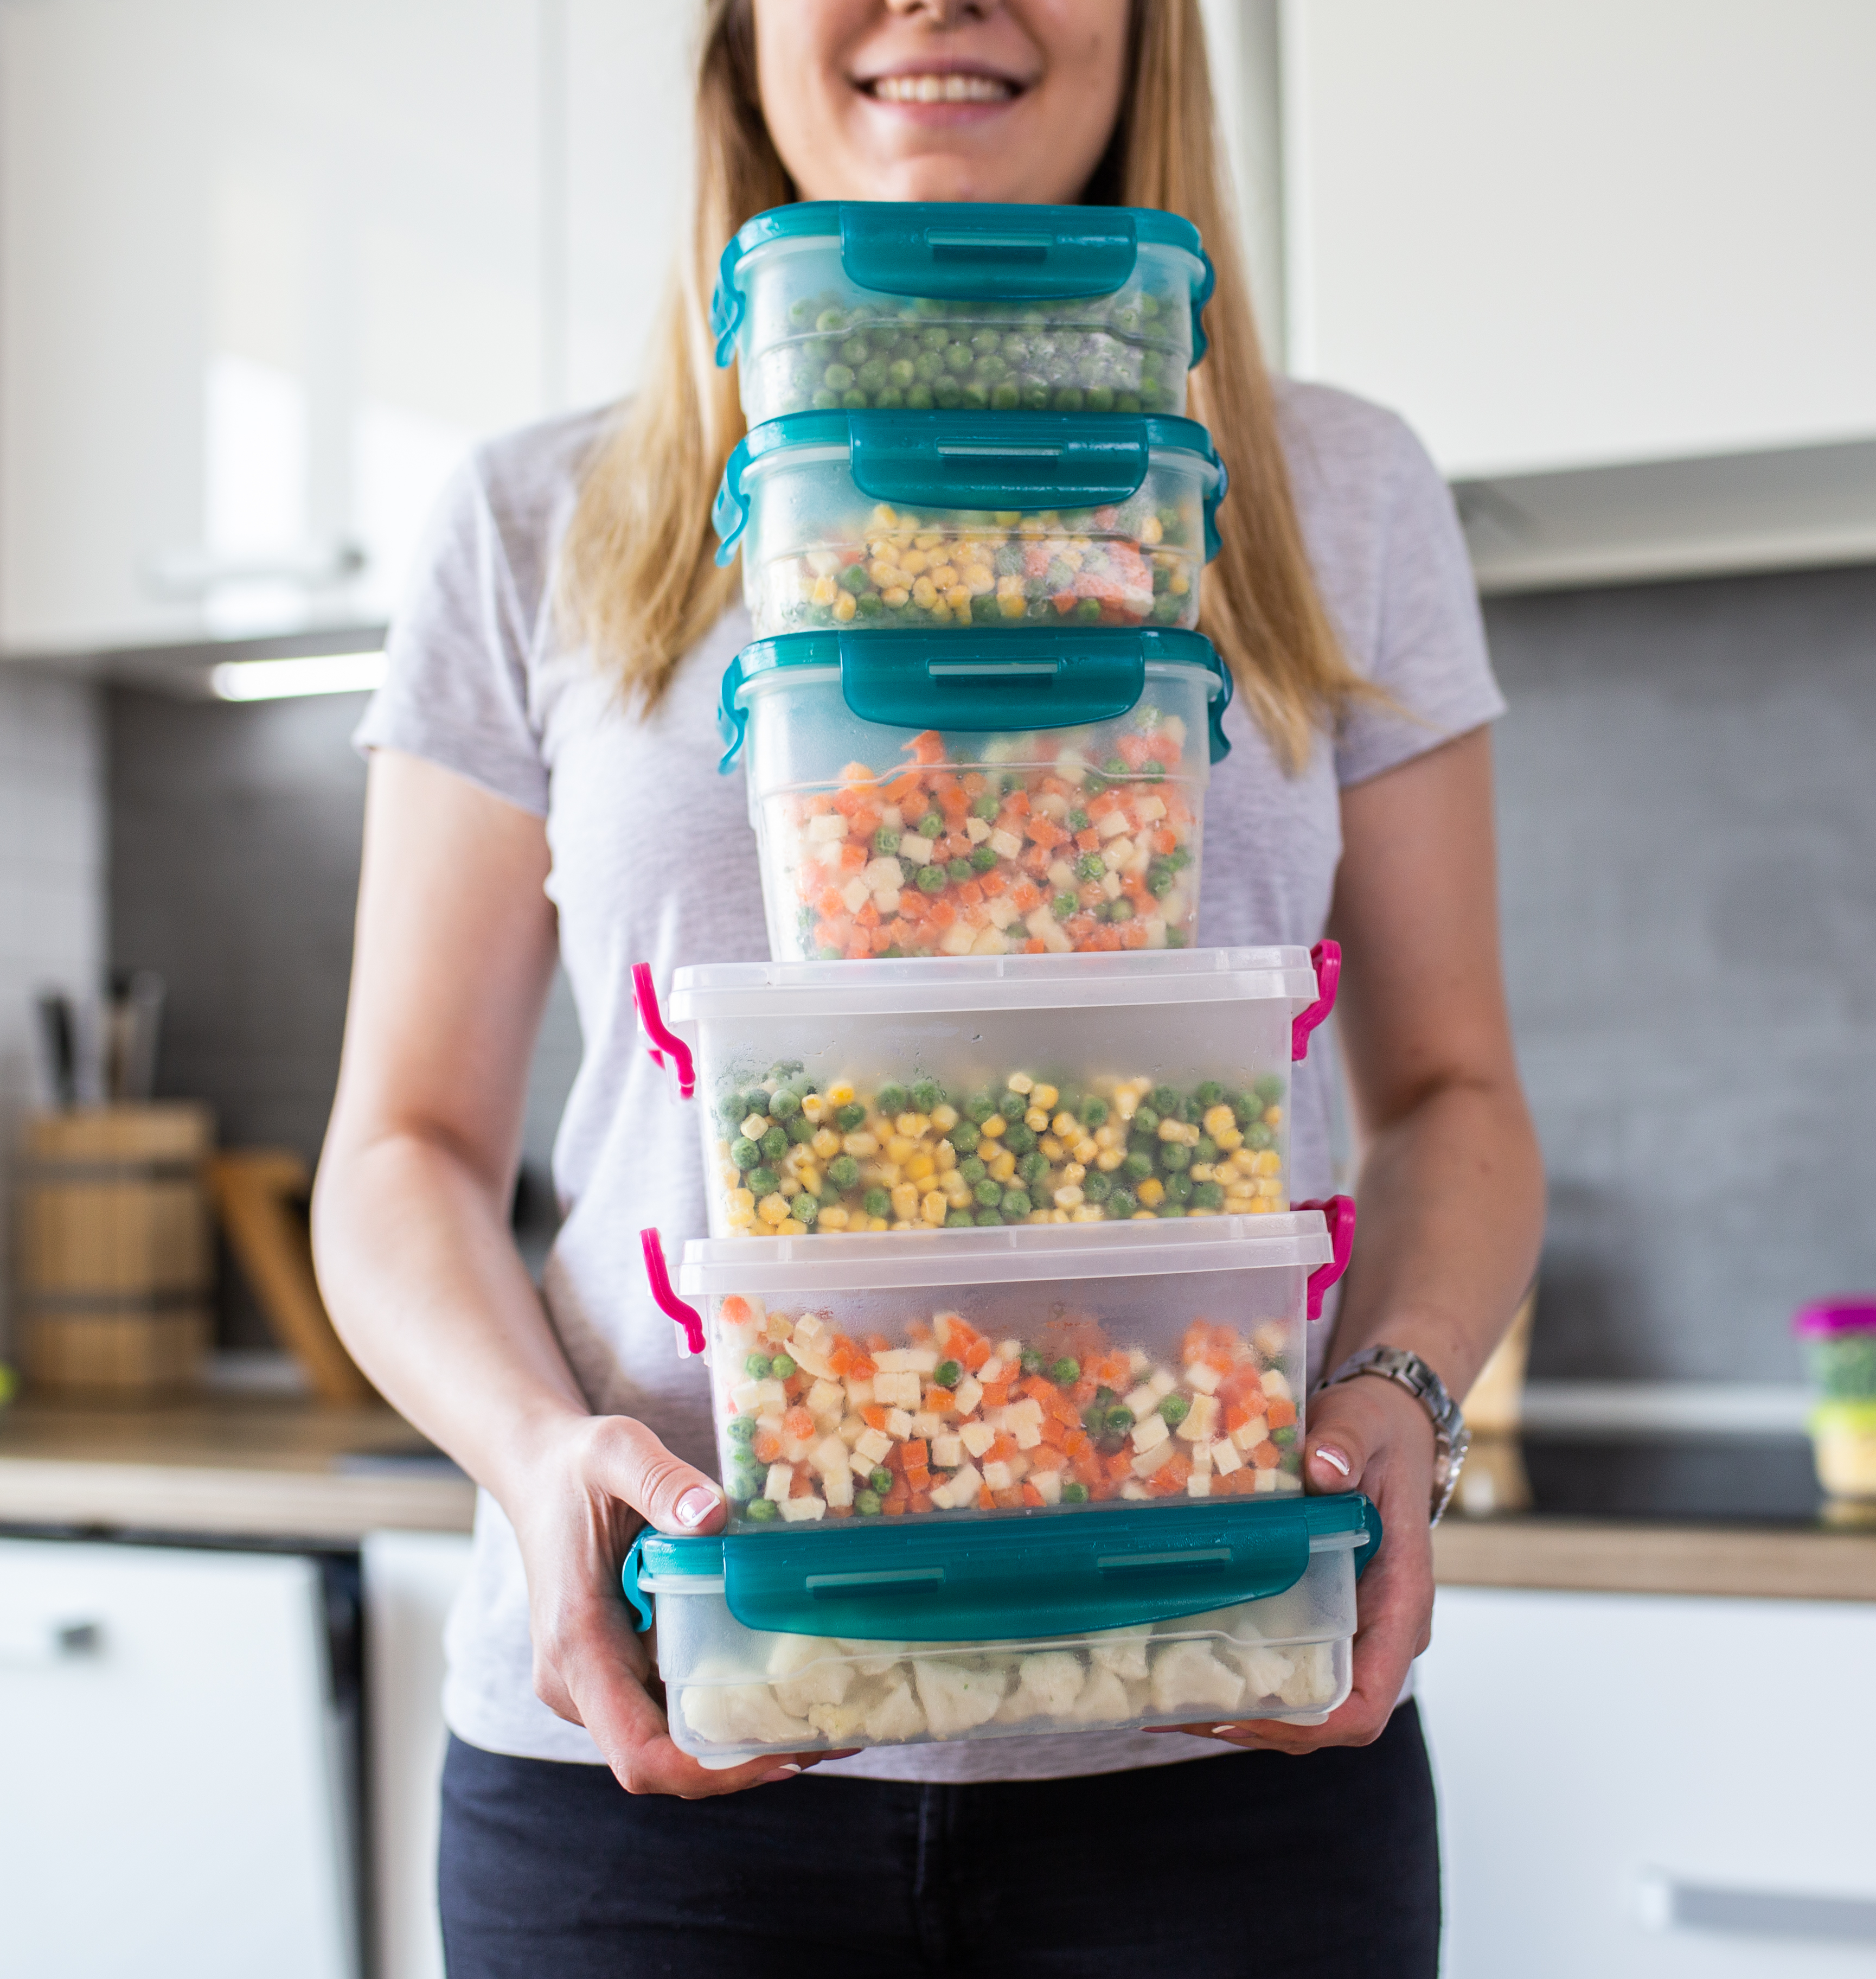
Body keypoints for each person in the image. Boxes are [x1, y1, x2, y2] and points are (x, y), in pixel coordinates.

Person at [311, 1, 1544, 1971]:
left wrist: (1402, 1392)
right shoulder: (532, 516)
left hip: (1214, 1704)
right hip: (663, 1731)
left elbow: (1453, 1092)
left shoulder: (1338, 490)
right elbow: (402, 1145)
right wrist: (541, 1462)